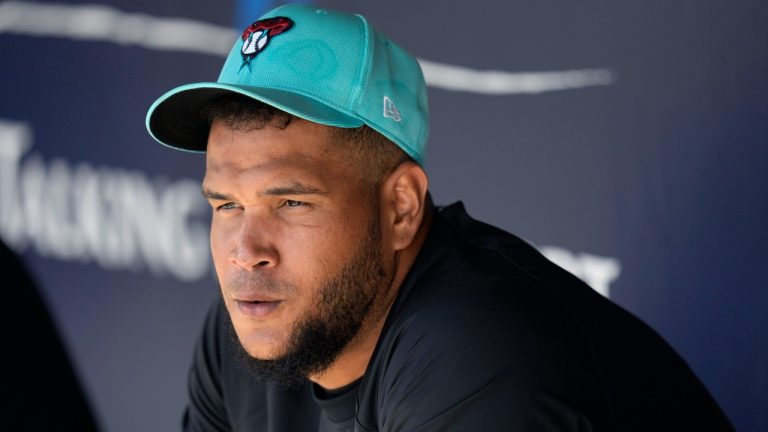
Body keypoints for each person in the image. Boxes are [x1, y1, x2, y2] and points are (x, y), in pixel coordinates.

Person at [146, 4, 733, 431]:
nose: (246, 251)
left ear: (400, 206)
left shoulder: (486, 358)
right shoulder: (253, 330)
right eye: (226, 205)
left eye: (292, 202)